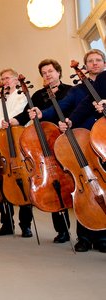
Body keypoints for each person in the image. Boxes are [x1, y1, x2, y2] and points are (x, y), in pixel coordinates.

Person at [11, 59, 72, 243]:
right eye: (44, 72)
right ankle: (62, 230)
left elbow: (75, 110)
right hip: (44, 145)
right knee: (53, 183)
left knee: (69, 182)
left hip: (65, 141)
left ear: (58, 72)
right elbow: (24, 115)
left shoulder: (70, 91)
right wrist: (6, 122)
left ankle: (88, 231)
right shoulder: (37, 95)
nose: (47, 74)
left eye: (50, 71)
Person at [58, 68, 106, 253]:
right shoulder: (102, 78)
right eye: (90, 60)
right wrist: (71, 120)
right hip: (92, 140)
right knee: (88, 185)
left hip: (102, 139)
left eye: (97, 60)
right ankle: (84, 237)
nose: (94, 63)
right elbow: (88, 102)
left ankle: (103, 236)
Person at [0, 68, 33, 237]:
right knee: (3, 182)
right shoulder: (0, 101)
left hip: (18, 142)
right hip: (3, 145)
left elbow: (18, 117)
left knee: (23, 182)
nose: (4, 81)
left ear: (15, 80)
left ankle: (25, 225)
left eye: (7, 78)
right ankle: (7, 223)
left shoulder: (23, 96)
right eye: (2, 78)